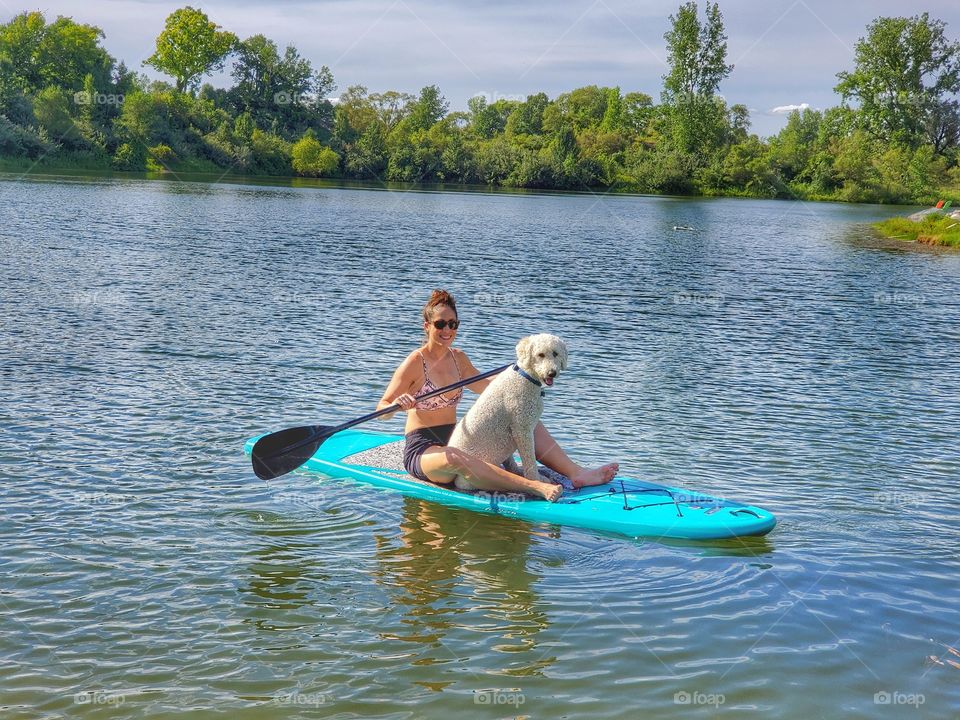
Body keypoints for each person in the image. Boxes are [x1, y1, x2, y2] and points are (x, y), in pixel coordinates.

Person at [376, 289, 618, 503]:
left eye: (453, 324)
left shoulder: (459, 359)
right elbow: (381, 409)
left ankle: (576, 473)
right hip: (424, 449)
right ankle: (533, 485)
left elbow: (491, 390)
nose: (447, 330)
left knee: (522, 414)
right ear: (427, 326)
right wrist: (398, 405)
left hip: (456, 437)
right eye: (440, 324)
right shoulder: (415, 362)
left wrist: (523, 378)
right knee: (454, 457)